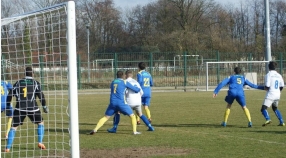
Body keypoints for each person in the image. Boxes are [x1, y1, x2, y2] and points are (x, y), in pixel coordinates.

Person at [5, 67, 48, 152]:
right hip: (33, 108)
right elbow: (41, 96)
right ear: (32, 74)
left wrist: (7, 105)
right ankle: (40, 142)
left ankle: (8, 148)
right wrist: (44, 106)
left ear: (25, 74)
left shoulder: (18, 83)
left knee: (13, 127)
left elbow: (10, 95)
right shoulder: (35, 83)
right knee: (41, 122)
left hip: (19, 108)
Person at [89, 70, 142, 135]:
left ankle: (95, 129)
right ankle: (134, 131)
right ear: (123, 76)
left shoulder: (113, 82)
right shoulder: (124, 82)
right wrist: (138, 88)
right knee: (132, 116)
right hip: (121, 103)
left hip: (112, 103)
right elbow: (136, 90)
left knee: (106, 117)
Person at [260, 61, 285, 126]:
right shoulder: (279, 75)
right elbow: (282, 85)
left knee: (263, 108)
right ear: (275, 67)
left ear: (268, 67)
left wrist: (265, 88)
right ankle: (281, 121)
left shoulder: (268, 75)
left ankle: (268, 119)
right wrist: (277, 91)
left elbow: (267, 86)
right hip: (278, 94)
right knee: (275, 108)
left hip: (271, 94)